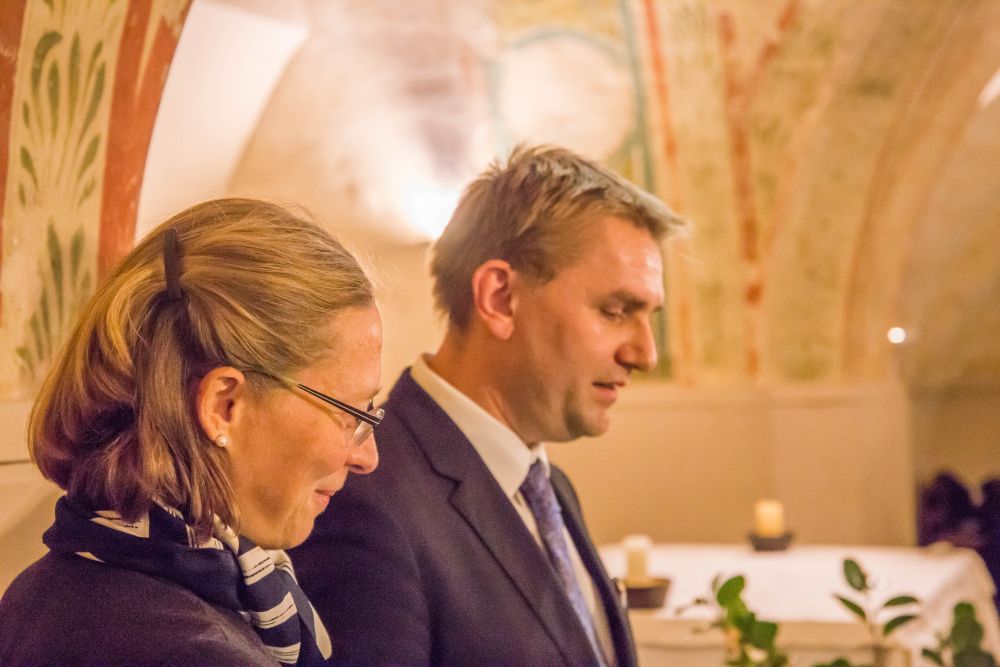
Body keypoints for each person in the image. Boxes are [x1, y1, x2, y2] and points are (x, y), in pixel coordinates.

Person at [291, 145, 685, 666]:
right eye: (615, 310)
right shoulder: (366, 501)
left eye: (649, 316)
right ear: (500, 297)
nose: (646, 354)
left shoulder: (548, 486)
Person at [0, 198, 382, 666]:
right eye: (353, 414)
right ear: (225, 406)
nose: (368, 456)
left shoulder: (48, 586)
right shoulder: (194, 652)